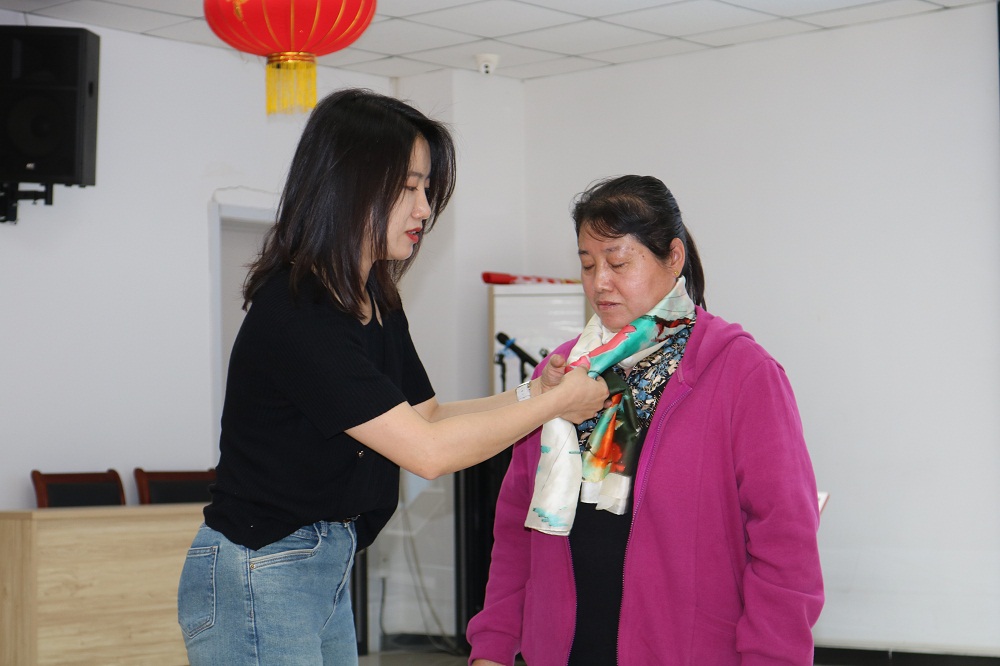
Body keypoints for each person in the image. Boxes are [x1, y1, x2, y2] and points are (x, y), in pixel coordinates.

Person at [176, 88, 608, 666]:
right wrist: (555, 406)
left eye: (427, 189)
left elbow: (427, 417)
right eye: (409, 187)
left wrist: (536, 392)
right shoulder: (299, 312)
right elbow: (427, 452)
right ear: (350, 185)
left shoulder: (375, 298)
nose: (424, 209)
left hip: (321, 562)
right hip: (262, 565)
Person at [466, 175, 824, 665]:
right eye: (587, 264)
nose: (599, 282)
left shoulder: (743, 374)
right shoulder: (563, 371)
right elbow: (515, 529)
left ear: (673, 257)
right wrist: (492, 646)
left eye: (617, 263)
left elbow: (785, 543)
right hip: (564, 649)